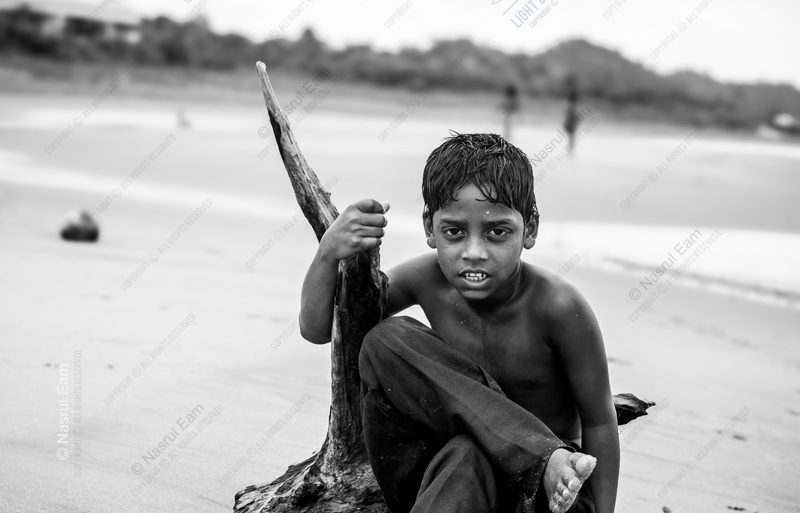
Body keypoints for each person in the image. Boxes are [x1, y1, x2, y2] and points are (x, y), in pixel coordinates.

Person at [298, 133, 619, 513]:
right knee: (385, 340)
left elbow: (599, 422)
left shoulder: (560, 307)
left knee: (469, 451)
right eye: (454, 232)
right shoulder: (426, 279)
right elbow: (321, 329)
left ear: (529, 228)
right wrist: (327, 253)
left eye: (497, 232)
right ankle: (539, 457)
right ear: (430, 229)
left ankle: (542, 461)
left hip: (539, 501)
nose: (474, 252)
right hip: (444, 478)